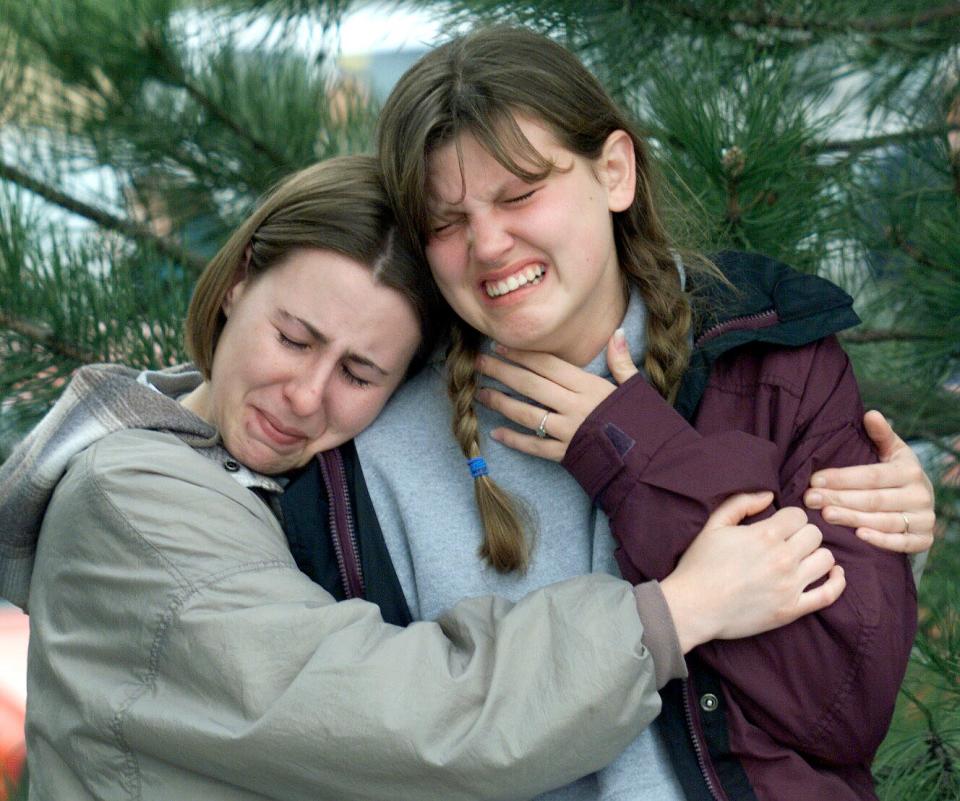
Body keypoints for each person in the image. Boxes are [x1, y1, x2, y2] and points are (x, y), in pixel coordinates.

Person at [0, 155, 865, 801]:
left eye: (361, 373)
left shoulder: (250, 474)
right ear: (236, 283)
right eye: (295, 337)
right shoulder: (134, 497)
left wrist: (857, 472)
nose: (305, 396)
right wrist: (672, 615)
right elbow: (395, 714)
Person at [367, 25, 925, 801]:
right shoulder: (378, 451)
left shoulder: (771, 363)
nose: (488, 243)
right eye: (445, 222)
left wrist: (634, 454)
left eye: (521, 193)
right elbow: (382, 744)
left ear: (615, 171)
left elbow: (845, 706)